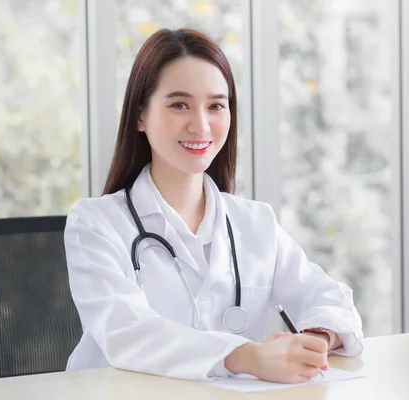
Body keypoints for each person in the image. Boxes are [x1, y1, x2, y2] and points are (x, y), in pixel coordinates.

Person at [64, 27, 363, 384]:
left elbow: (330, 296)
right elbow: (127, 333)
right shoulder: (96, 224)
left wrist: (314, 340)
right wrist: (245, 356)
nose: (201, 125)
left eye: (216, 106)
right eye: (179, 105)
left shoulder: (254, 222)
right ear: (140, 115)